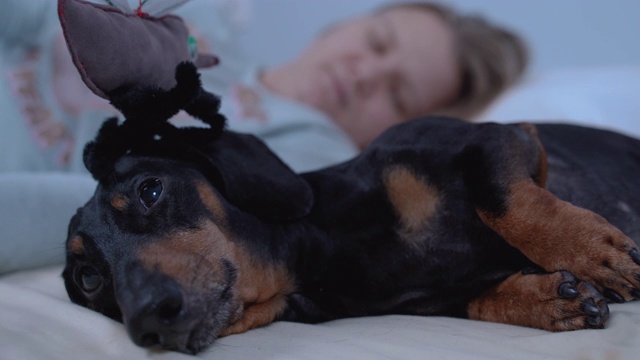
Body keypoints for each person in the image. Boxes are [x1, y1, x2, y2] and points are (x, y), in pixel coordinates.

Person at [1, 0, 527, 174]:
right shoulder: (194, 17)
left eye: (397, 94)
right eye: (377, 42)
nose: (364, 73)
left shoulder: (310, 154)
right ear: (341, 26)